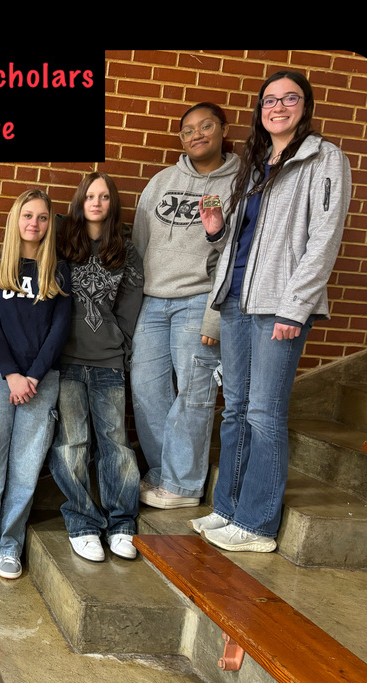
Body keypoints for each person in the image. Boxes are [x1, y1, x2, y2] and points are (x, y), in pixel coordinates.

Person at [192, 71, 351, 552]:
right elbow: (246, 243)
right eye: (269, 100)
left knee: (264, 415)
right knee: (236, 410)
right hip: (238, 300)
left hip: (279, 308)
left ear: (306, 106)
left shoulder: (324, 159)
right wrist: (218, 229)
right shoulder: (256, 163)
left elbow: (324, 240)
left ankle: (258, 525)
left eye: (289, 99)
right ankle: (228, 509)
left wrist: (295, 308)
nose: (277, 107)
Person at [131, 103, 240, 510]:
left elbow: (234, 254)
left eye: (206, 126)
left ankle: (184, 486)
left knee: (193, 394)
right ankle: (164, 475)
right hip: (153, 302)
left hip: (199, 300)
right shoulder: (161, 182)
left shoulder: (238, 183)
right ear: (181, 139)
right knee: (146, 390)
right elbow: (139, 247)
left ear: (222, 129)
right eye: (188, 130)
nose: (197, 135)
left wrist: (215, 312)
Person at [0, 190, 70, 580]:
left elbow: (60, 330)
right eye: (28, 215)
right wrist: (11, 374)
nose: (35, 224)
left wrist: (34, 377)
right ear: (15, 219)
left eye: (43, 218)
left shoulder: (59, 271)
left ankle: (10, 545)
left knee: (26, 469)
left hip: (42, 381)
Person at [48, 172, 144, 562]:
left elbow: (130, 305)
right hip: (66, 360)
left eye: (104, 196)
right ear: (80, 200)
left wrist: (121, 346)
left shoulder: (126, 249)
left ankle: (122, 524)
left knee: (115, 445)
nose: (97, 202)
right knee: (71, 445)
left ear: (112, 203)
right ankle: (83, 523)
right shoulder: (61, 241)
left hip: (107, 361)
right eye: (90, 195)